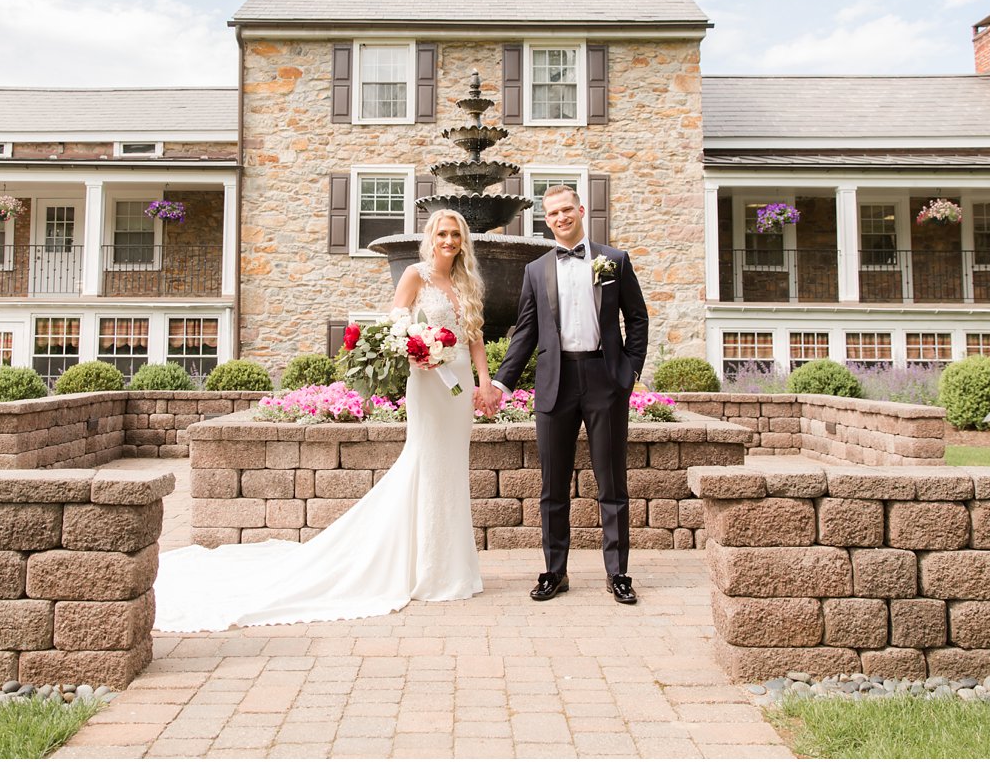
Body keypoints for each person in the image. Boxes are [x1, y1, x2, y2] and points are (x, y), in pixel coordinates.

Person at [152, 210, 486, 632]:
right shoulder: (415, 276)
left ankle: (454, 568)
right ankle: (424, 568)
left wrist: (484, 383)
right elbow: (395, 327)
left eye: (456, 234)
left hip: (459, 387)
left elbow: (475, 337)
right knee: (426, 463)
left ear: (463, 239)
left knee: (452, 470)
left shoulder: (467, 281)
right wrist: (418, 351)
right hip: (429, 382)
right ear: (431, 236)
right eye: (443, 232)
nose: (449, 239)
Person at [489, 185, 649, 605]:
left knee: (611, 483)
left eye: (566, 209)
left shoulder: (613, 260)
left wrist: (628, 371)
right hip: (554, 383)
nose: (561, 217)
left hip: (604, 379)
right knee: (552, 486)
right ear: (546, 221)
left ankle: (618, 574)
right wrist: (501, 383)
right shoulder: (536, 270)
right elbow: (524, 332)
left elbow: (637, 318)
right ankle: (554, 572)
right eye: (553, 213)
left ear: (580, 210)